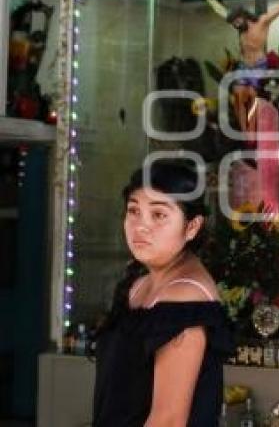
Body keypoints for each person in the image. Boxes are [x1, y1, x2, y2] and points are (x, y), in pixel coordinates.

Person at [92, 161, 234, 426]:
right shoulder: (139, 284)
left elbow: (168, 420)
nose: (141, 226)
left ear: (192, 226)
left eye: (158, 215)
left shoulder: (185, 298)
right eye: (133, 211)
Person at [198, 0, 279, 135]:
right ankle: (245, 131)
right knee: (238, 95)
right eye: (234, 24)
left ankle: (252, 129)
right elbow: (220, 11)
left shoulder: (262, 22)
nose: (236, 26)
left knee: (251, 95)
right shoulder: (239, 27)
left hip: (259, 66)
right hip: (244, 66)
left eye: (237, 22)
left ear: (243, 16)